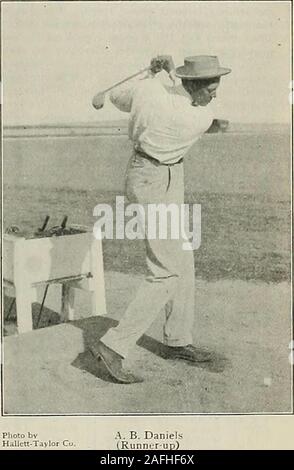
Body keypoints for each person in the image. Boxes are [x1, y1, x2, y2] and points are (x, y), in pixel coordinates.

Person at [91, 55, 231, 383]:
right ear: (192, 85)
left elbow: (116, 97)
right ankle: (113, 346)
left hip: (155, 172)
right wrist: (164, 74)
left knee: (183, 256)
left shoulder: (149, 90)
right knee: (166, 271)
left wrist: (155, 75)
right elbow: (189, 108)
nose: (215, 95)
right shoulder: (197, 117)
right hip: (155, 180)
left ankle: (177, 340)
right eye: (211, 88)